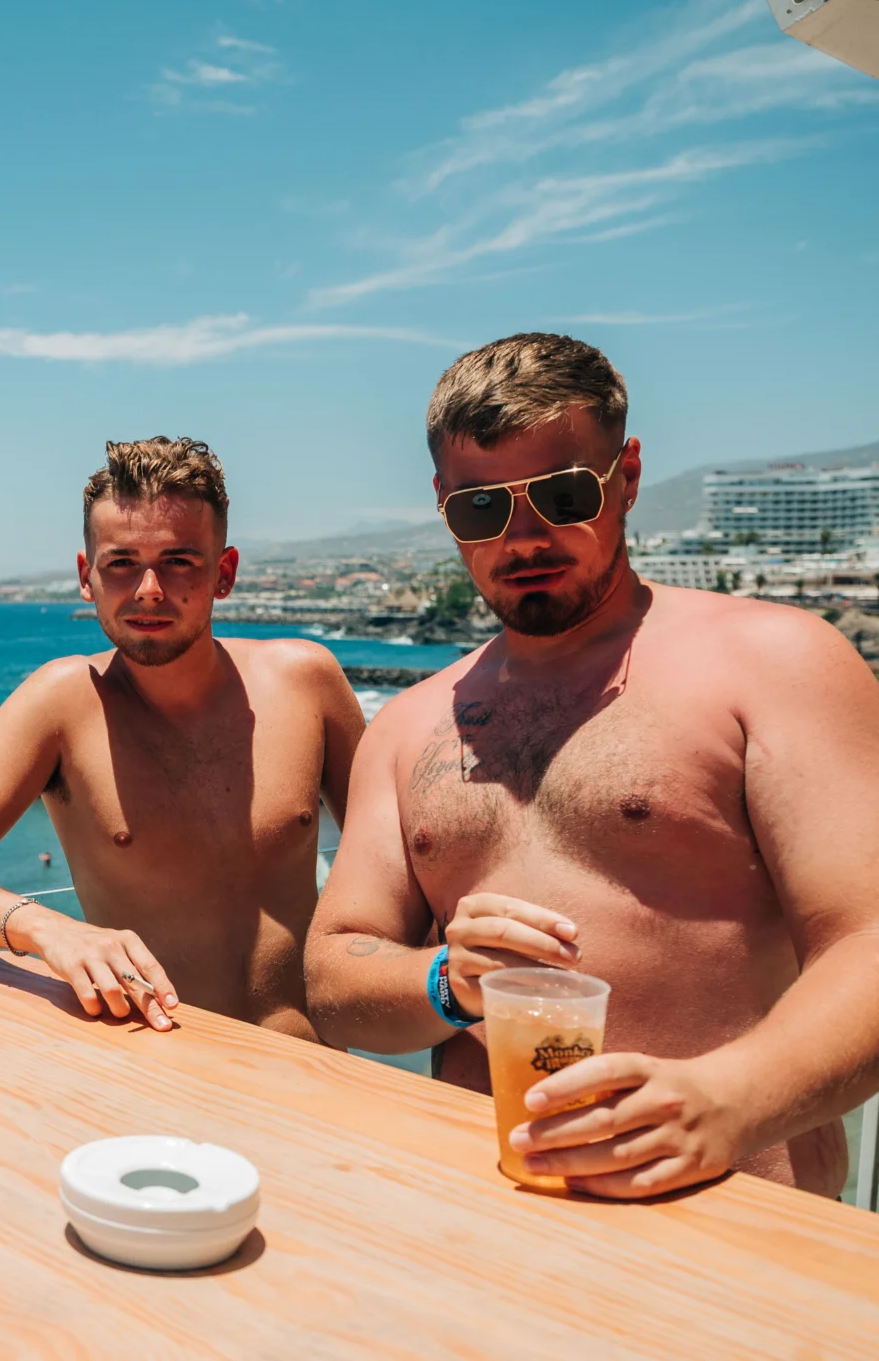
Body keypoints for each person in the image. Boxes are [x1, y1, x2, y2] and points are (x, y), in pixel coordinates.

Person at [306, 332, 879, 1199]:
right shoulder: (412, 724)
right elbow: (334, 976)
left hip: (732, 1215)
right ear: (442, 506)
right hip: (481, 1213)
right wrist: (446, 981)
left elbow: (868, 941)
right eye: (480, 509)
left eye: (564, 493)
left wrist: (726, 1102)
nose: (523, 536)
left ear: (628, 477)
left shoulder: (777, 663)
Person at [0, 438, 363, 1038]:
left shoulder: (305, 681)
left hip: (316, 1069)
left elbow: (394, 868)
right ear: (87, 577)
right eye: (122, 563)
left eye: (180, 561)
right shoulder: (63, 701)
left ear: (225, 572)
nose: (148, 590)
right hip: (153, 1066)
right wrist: (51, 931)